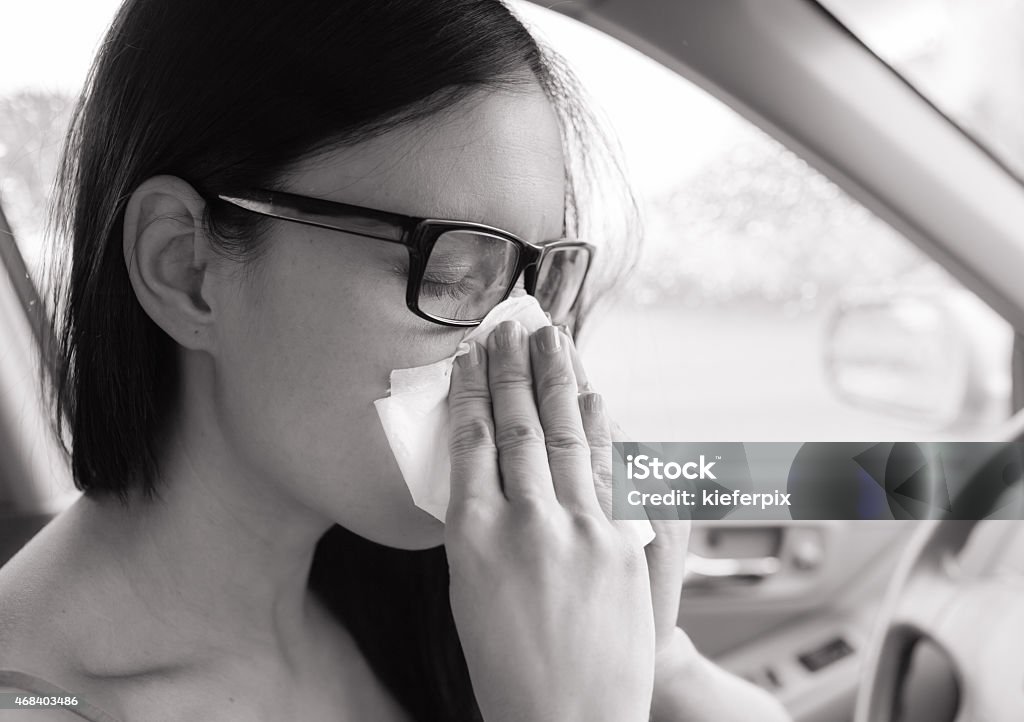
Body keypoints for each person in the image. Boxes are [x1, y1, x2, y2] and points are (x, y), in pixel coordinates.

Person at [0, 1, 792, 720]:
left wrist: (655, 661)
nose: (513, 339)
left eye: (533, 279)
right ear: (186, 267)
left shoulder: (451, 595)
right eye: (451, 272)